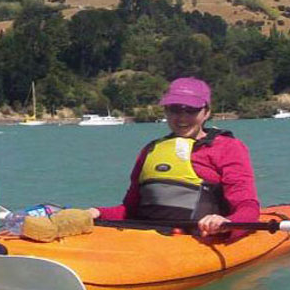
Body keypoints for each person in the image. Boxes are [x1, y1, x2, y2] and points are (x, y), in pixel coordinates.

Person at [86, 77, 260, 239]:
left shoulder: (227, 147)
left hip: (200, 239)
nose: (182, 118)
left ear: (206, 112)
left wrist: (228, 223)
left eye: (191, 110)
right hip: (149, 238)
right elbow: (129, 211)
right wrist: (97, 213)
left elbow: (247, 205)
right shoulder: (151, 150)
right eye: (174, 109)